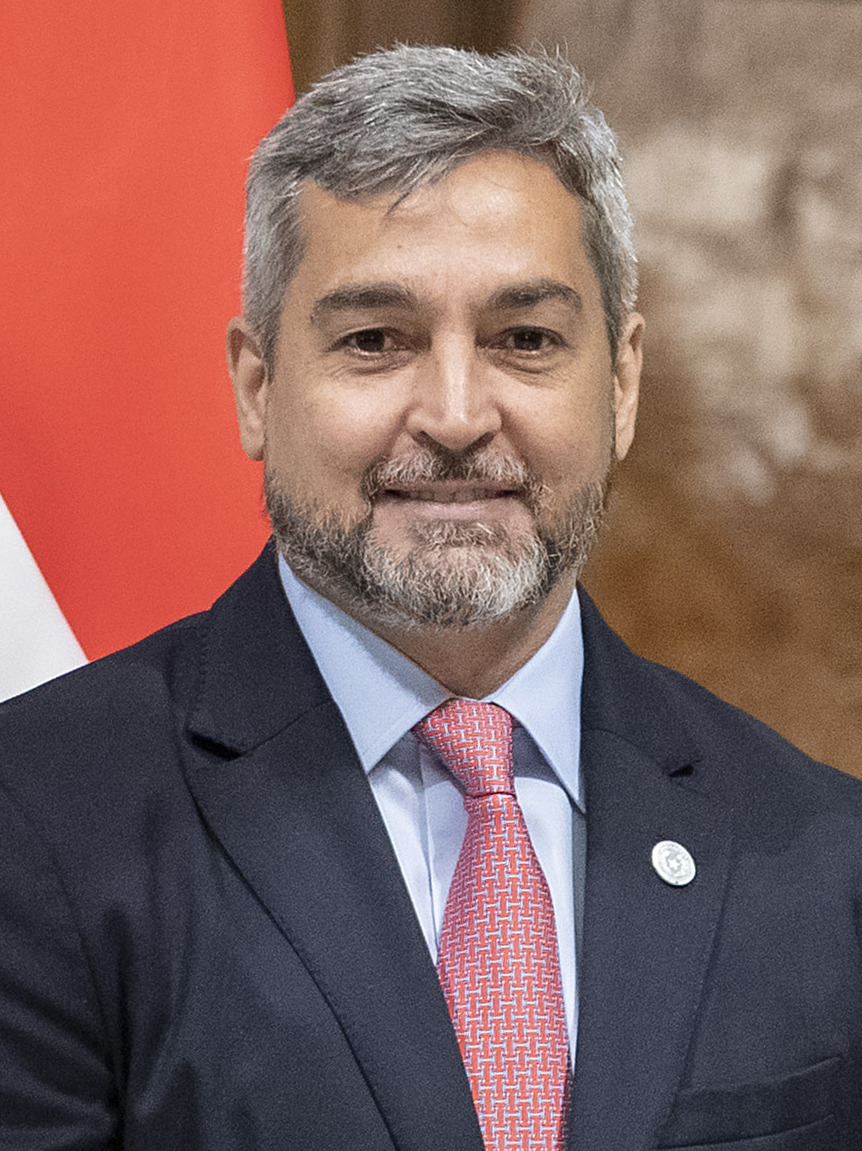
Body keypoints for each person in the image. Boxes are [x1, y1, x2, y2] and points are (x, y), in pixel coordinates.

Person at [1, 44, 860, 1151]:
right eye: (375, 340)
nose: (456, 415)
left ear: (621, 383)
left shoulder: (824, 854)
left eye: (525, 340)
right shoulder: (36, 820)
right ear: (258, 387)